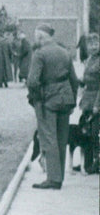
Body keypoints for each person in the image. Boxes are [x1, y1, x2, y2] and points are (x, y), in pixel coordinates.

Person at [26, 23, 80, 189]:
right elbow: (74, 80)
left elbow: (32, 81)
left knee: (49, 139)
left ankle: (53, 179)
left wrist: (36, 100)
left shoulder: (39, 54)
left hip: (47, 100)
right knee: (62, 139)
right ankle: (59, 177)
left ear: (41, 37)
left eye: (36, 38)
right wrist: (73, 100)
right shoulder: (64, 52)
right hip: (65, 99)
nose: (36, 41)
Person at [78, 32, 100, 173]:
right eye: (90, 44)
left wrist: (97, 105)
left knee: (94, 133)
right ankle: (86, 164)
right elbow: (86, 80)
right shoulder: (90, 59)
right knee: (85, 132)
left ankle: (96, 163)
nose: (93, 47)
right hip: (87, 99)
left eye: (96, 44)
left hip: (97, 100)